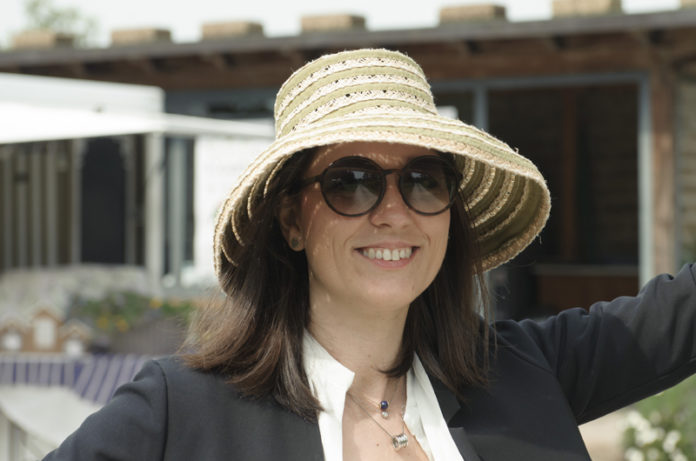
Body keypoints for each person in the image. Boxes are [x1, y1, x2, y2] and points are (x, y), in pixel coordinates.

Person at [44, 48, 696, 461]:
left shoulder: (527, 370)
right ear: (291, 222)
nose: (394, 211)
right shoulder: (181, 411)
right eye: (351, 182)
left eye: (424, 180)